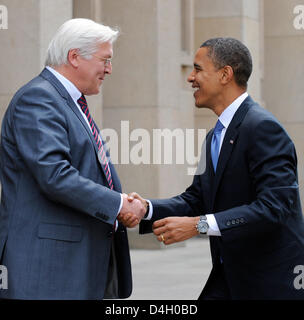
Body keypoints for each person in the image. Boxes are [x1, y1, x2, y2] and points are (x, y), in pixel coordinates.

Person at [122, 37, 304, 300]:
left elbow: (275, 206)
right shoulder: (215, 136)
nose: (190, 77)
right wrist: (146, 209)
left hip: (269, 284)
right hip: (229, 278)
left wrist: (200, 226)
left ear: (225, 74)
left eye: (197, 68)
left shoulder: (262, 128)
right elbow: (197, 199)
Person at [0, 18, 145, 300]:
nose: (109, 70)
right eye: (105, 60)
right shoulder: (39, 99)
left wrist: (122, 202)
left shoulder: (67, 102)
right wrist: (118, 205)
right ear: (75, 57)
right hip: (47, 270)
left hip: (72, 267)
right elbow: (55, 175)